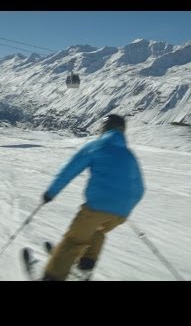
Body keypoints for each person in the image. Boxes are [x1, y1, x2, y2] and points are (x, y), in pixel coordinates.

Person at [41, 114, 145, 281]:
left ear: (105, 128)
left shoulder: (96, 146)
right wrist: (124, 206)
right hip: (121, 214)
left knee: (73, 241)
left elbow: (69, 171)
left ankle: (52, 277)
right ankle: (85, 266)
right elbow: (140, 189)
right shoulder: (129, 155)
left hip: (96, 208)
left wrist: (50, 193)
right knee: (97, 231)